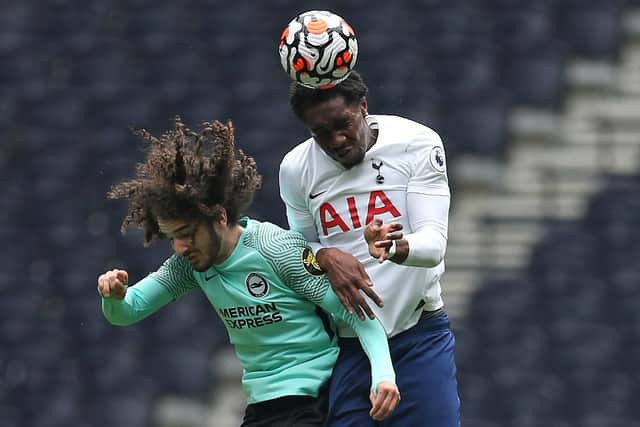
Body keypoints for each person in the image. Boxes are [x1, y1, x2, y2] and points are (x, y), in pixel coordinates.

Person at [97, 118, 400, 427]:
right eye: (172, 237)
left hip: (315, 396)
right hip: (263, 405)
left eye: (187, 233)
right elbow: (127, 311)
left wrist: (383, 376)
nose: (179, 247)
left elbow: (354, 313)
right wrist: (114, 295)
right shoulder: (189, 265)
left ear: (219, 217)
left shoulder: (275, 249)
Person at [279, 70, 460, 426]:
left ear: (363, 107)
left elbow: (434, 244)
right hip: (350, 345)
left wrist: (394, 246)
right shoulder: (296, 169)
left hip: (418, 337)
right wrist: (324, 256)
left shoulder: (416, 143)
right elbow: (298, 247)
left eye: (342, 123)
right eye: (321, 133)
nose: (336, 139)